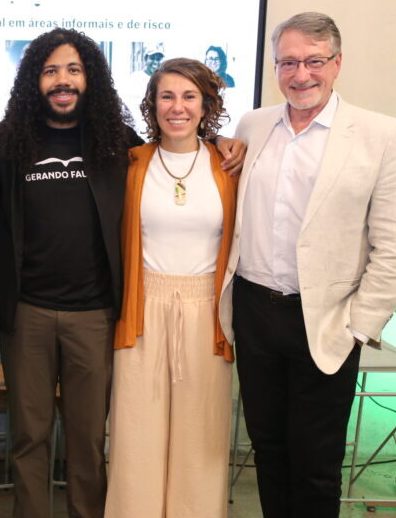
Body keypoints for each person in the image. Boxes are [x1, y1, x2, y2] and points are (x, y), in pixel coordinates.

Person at [0, 28, 245, 518]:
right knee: (28, 436)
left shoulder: (117, 142)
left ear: (90, 78)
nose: (63, 80)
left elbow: (177, 148)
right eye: (50, 71)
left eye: (74, 69)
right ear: (34, 79)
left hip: (96, 314)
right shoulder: (5, 140)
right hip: (26, 312)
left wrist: (221, 140)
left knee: (88, 439)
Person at [219, 12, 396, 518]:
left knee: (316, 463)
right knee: (268, 451)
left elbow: (395, 244)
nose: (300, 74)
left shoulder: (384, 135)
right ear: (275, 66)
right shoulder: (253, 124)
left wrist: (359, 326)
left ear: (337, 63)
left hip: (327, 320)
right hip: (255, 313)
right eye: (288, 62)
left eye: (313, 61)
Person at [106, 58, 238, 517]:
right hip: (141, 310)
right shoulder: (132, 163)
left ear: (206, 105)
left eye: (188, 96)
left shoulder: (228, 164)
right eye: (167, 96)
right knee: (135, 437)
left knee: (200, 440)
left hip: (207, 314)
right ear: (152, 104)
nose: (177, 107)